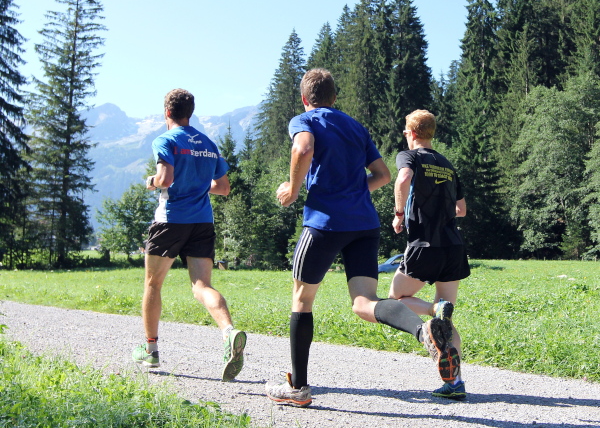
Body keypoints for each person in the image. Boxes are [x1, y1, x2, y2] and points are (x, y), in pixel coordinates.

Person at [265, 69, 460, 408]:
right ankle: (423, 331)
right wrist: (353, 192)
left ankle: (298, 388)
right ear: (334, 98)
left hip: (324, 224)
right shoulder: (355, 127)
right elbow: (382, 175)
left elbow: (303, 147)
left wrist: (294, 189)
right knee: (363, 302)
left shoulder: (304, 120)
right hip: (364, 224)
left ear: (305, 99)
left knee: (302, 299)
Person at [131, 88, 246, 382]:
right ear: (190, 113)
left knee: (153, 284)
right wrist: (197, 183)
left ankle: (151, 350)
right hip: (202, 222)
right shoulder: (208, 144)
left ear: (167, 112)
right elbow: (223, 188)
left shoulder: (165, 140)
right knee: (201, 286)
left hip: (170, 221)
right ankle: (229, 332)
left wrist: (151, 181)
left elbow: (165, 178)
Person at [388, 109, 470, 400]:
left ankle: (434, 310)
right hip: (453, 246)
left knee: (394, 300)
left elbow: (403, 179)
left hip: (424, 245)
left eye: (405, 131)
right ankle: (455, 383)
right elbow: (461, 209)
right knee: (447, 320)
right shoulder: (447, 164)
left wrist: (399, 214)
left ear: (411, 133)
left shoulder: (409, 156)